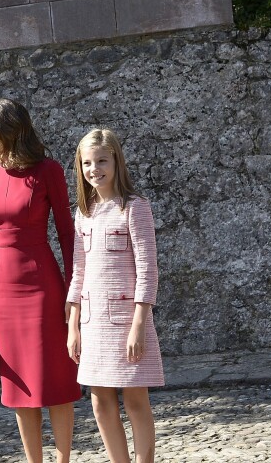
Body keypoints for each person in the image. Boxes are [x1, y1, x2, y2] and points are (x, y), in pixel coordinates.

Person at [0, 99, 81, 463]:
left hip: (42, 284)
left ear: (8, 130)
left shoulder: (47, 170)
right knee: (18, 382)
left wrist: (74, 290)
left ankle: (64, 459)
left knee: (54, 378)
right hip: (2, 290)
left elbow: (67, 234)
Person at [67, 129, 164, 463]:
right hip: (93, 326)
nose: (95, 169)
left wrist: (139, 324)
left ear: (116, 161)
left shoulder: (134, 208)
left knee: (136, 400)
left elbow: (148, 270)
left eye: (102, 161)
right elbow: (78, 272)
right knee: (98, 401)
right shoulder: (83, 212)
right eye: (87, 163)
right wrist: (73, 326)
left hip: (126, 324)